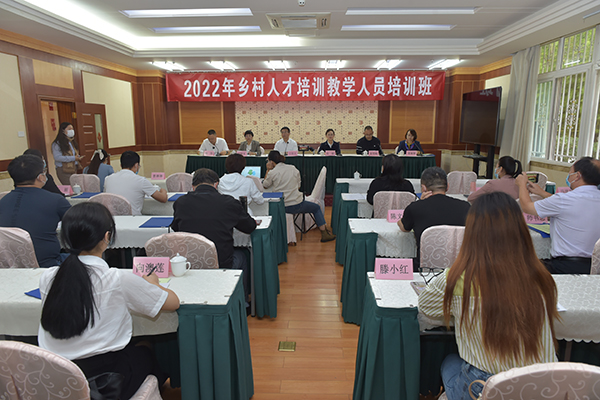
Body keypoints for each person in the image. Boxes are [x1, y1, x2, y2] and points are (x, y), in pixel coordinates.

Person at [419, 192, 558, 400]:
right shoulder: (541, 276)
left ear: (472, 233)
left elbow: (426, 307)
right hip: (543, 386)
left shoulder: (458, 277)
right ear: (520, 230)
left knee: (450, 362)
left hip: (485, 386)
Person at [38, 202, 179, 399]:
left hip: (55, 378)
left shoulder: (48, 277)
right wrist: (153, 283)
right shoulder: (117, 279)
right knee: (145, 349)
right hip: (103, 382)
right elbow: (172, 302)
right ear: (107, 237)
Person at [171, 168, 256, 298]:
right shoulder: (229, 202)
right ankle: (241, 302)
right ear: (216, 184)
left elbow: (176, 228)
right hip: (221, 262)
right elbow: (249, 227)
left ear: (193, 186)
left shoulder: (181, 202)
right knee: (242, 256)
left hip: (190, 262)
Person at [516, 156, 600, 274]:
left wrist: (521, 185)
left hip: (563, 267)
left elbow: (527, 207)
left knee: (519, 267)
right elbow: (567, 204)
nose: (568, 176)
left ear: (577, 176)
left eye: (570, 172)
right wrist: (541, 192)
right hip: (594, 267)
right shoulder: (571, 200)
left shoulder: (563, 200)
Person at [0, 154, 71, 267]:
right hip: (49, 264)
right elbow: (80, 224)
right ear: (40, 177)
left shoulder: (3, 202)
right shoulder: (55, 200)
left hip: (8, 266)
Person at [398, 167, 470, 269]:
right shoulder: (465, 207)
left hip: (425, 269)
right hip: (459, 268)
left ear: (424, 188)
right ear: (447, 186)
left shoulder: (415, 207)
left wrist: (419, 202)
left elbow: (403, 227)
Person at [263, 151, 335, 242]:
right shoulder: (293, 168)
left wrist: (268, 170)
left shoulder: (272, 172)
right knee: (316, 208)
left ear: (271, 162)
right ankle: (324, 234)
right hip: (297, 204)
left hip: (282, 206)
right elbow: (298, 186)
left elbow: (265, 185)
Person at [104, 151, 167, 215]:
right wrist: (163, 190)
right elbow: (163, 198)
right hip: (133, 218)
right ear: (136, 165)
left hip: (113, 218)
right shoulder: (141, 181)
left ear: (121, 165)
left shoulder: (108, 179)